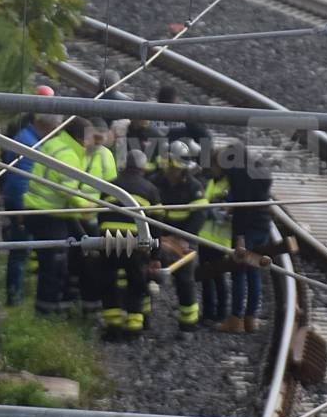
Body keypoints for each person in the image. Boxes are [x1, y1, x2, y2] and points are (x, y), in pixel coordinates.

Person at [23, 116, 94, 316]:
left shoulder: (55, 143)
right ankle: (47, 312)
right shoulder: (69, 154)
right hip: (48, 214)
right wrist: (87, 207)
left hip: (38, 211)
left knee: (65, 255)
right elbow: (69, 190)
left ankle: (62, 303)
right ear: (80, 138)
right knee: (54, 265)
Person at [0, 86, 56, 306]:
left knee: (22, 250)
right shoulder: (30, 144)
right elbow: (21, 180)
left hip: (18, 201)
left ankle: (18, 294)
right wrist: (24, 209)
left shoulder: (26, 135)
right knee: (20, 252)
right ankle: (15, 298)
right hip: (21, 203)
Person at [97, 149, 161, 339]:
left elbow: (99, 215)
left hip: (108, 240)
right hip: (136, 243)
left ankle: (113, 327)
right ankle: (134, 328)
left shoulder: (110, 186)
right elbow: (156, 225)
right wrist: (155, 255)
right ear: (143, 169)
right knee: (136, 284)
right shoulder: (150, 189)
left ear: (125, 167)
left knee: (109, 282)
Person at [149, 139, 208, 333]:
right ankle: (141, 319)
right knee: (144, 275)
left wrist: (183, 238)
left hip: (183, 241)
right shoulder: (154, 182)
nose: (175, 172)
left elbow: (199, 216)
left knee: (185, 281)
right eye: (173, 167)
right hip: (157, 238)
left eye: (178, 168)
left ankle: (188, 324)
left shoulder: (194, 187)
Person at [216, 142, 272, 334]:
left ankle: (236, 319)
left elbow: (243, 208)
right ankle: (251, 319)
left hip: (247, 228)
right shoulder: (259, 169)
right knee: (254, 271)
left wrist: (239, 236)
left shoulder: (240, 175)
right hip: (263, 225)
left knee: (239, 271)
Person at [72, 118, 117, 314]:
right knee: (75, 256)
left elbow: (111, 188)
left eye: (102, 138)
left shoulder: (107, 156)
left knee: (91, 259)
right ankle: (75, 295)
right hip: (74, 211)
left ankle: (89, 300)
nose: (98, 142)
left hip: (95, 214)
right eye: (95, 137)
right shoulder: (79, 152)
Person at [198, 148, 232, 326]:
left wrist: (209, 209)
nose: (212, 167)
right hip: (205, 237)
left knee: (218, 278)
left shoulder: (229, 185)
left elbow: (223, 212)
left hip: (220, 239)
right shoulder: (213, 182)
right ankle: (208, 313)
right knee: (205, 277)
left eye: (215, 164)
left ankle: (221, 314)